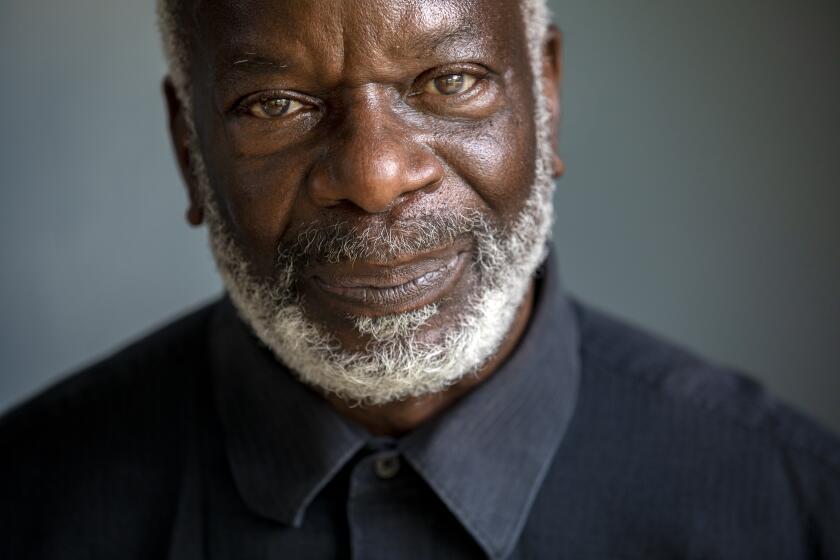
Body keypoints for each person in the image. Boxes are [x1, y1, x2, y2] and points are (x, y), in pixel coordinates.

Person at [1, 0, 838, 557]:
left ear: (545, 100)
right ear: (190, 153)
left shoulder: (795, 511)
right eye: (275, 104)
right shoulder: (29, 508)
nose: (374, 174)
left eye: (452, 82)